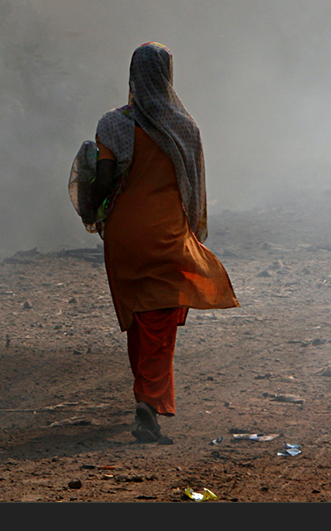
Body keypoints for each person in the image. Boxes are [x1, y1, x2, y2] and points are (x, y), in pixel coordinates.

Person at [87, 42, 238, 444]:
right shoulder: (184, 127)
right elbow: (194, 188)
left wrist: (91, 209)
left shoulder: (112, 124)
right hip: (166, 234)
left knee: (139, 313)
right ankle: (148, 405)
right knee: (160, 318)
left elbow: (101, 182)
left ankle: (143, 394)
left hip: (122, 237)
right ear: (168, 75)